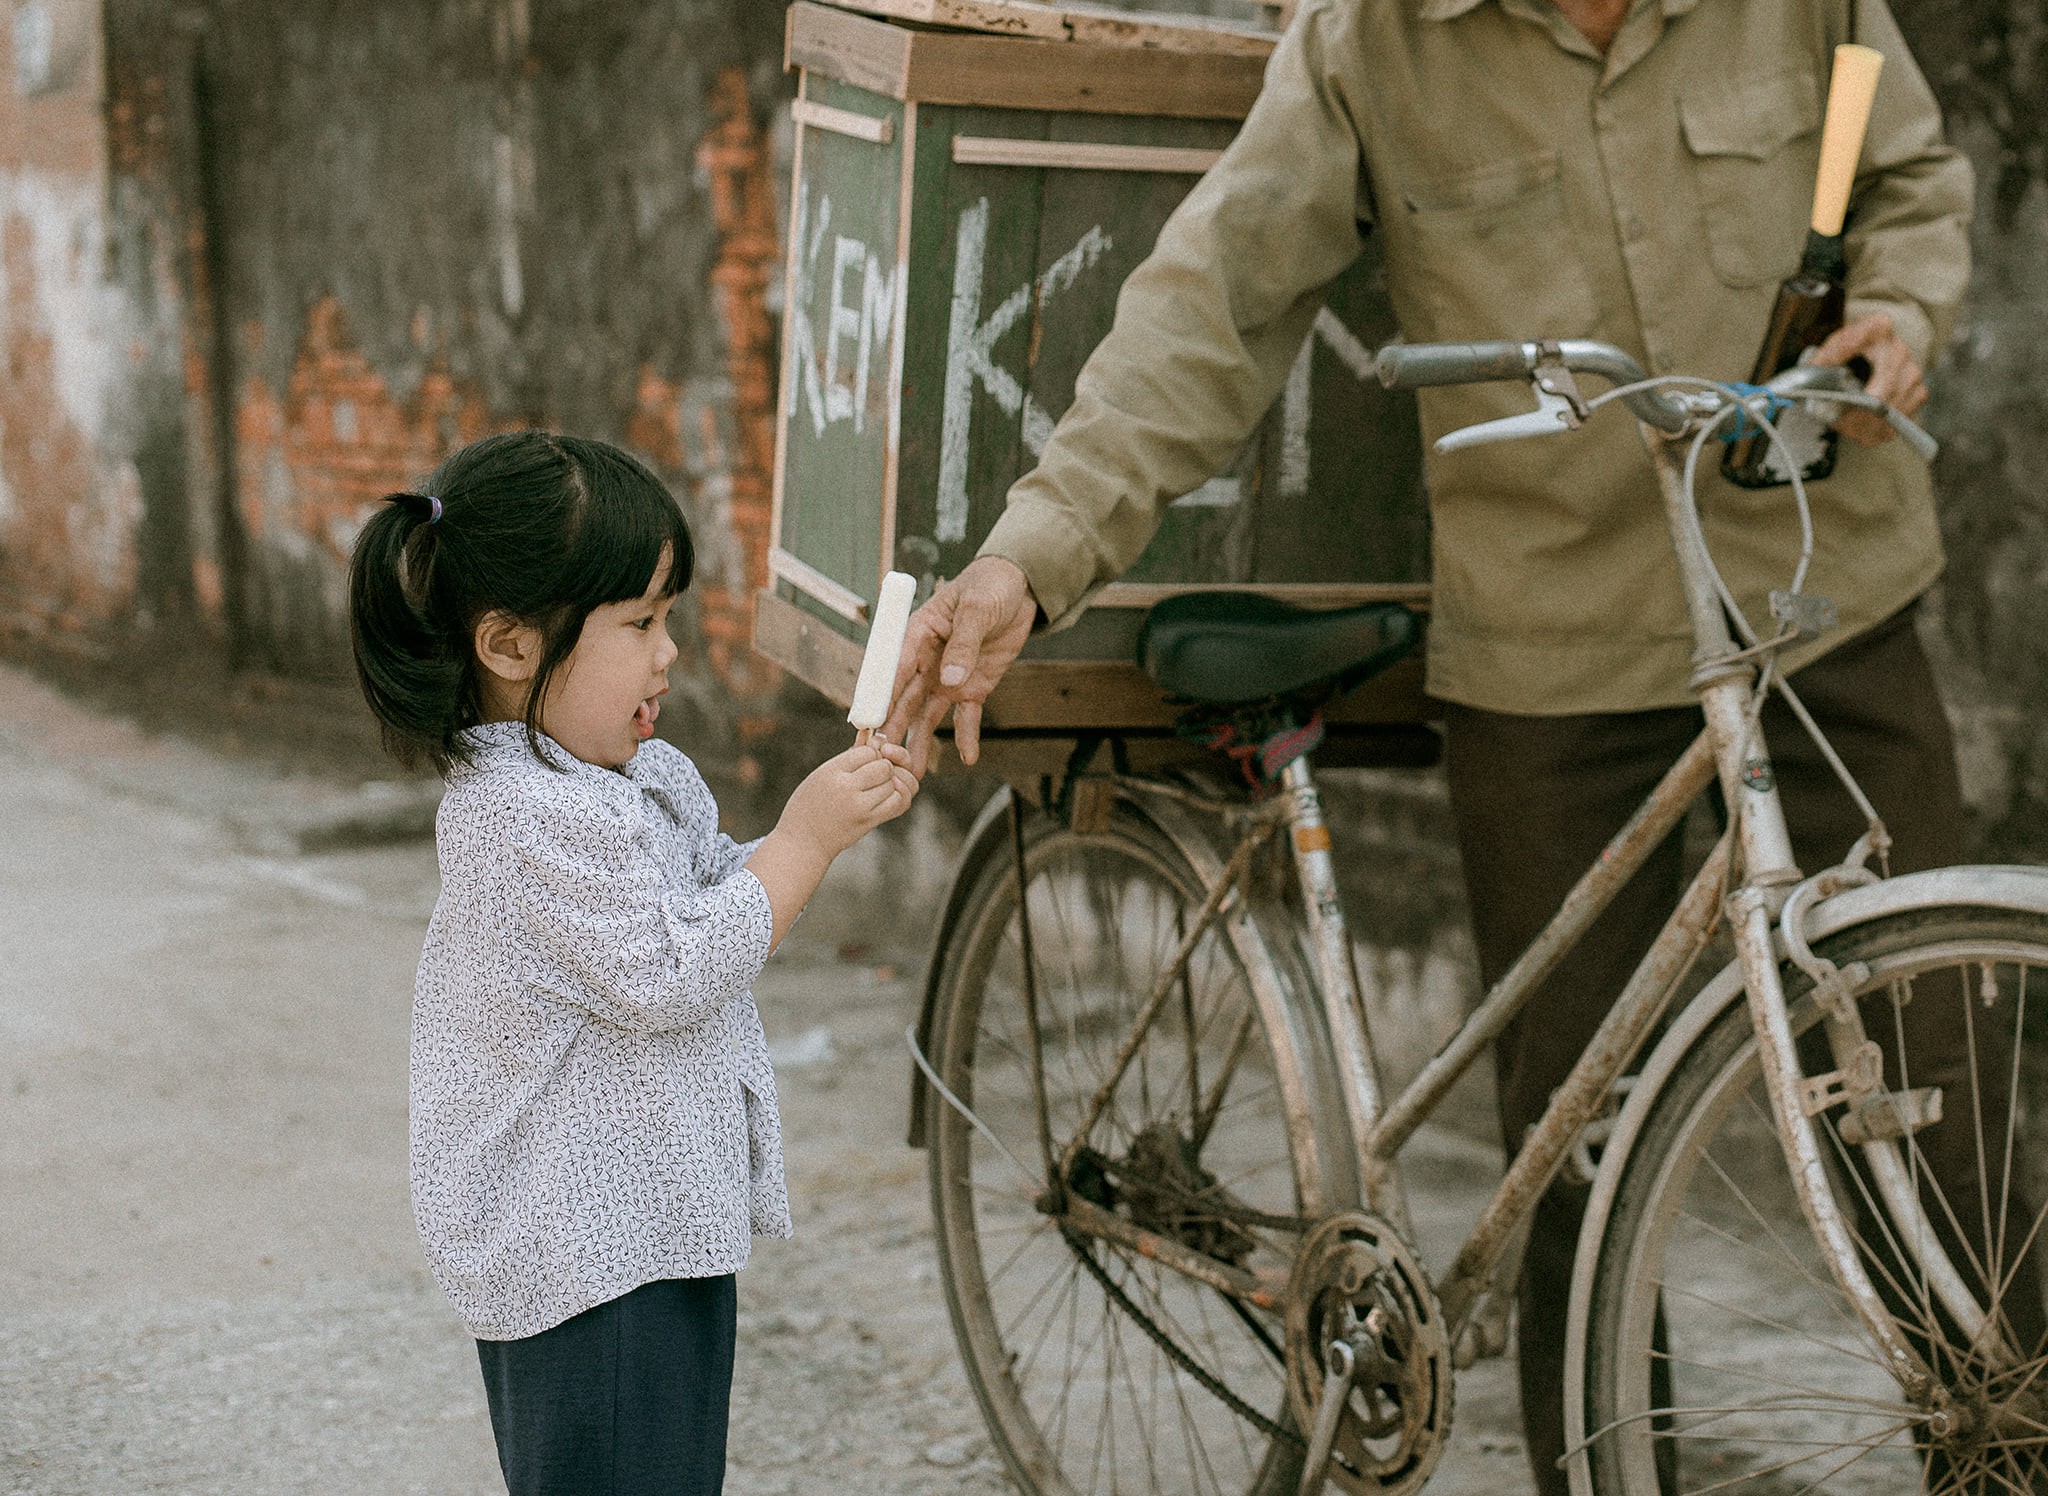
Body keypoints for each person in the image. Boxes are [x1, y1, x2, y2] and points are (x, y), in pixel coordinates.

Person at [881, 0, 2033, 1490]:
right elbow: (1212, 304)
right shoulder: (1372, 37)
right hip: (1552, 658)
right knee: (1578, 1154)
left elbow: (1909, 174)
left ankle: (2004, 1453)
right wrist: (1030, 560)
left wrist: (1901, 310)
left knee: (1940, 1081)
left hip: (1830, 595)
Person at [347, 431, 917, 1496]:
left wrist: (820, 823)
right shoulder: (518, 813)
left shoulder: (626, 776)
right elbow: (670, 971)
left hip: (657, 1225)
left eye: (668, 620)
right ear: (510, 645)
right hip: (584, 1263)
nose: (668, 654)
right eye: (641, 622)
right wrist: (801, 841)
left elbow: (713, 902)